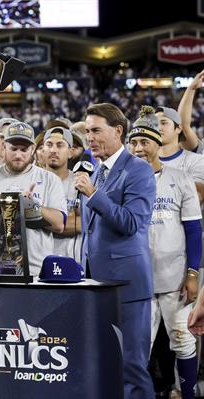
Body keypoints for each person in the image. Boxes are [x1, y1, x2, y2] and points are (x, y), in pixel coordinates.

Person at [74, 103, 156, 399]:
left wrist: (94, 195)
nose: (90, 137)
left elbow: (133, 223)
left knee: (132, 366)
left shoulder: (139, 170)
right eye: (86, 131)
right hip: (97, 285)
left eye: (96, 130)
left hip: (127, 286)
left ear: (118, 131)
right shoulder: (96, 173)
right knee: (105, 363)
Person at [127, 106, 202, 399]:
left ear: (158, 142)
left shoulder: (180, 178)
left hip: (174, 279)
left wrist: (193, 272)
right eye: (133, 142)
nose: (138, 148)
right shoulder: (123, 179)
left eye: (145, 141)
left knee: (182, 340)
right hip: (138, 282)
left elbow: (194, 230)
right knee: (137, 349)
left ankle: (187, 392)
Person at [0, 121, 66, 277]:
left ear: (33, 149)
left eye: (24, 149)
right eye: (13, 149)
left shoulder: (50, 180)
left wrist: (33, 207)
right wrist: (19, 208)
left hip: (37, 271)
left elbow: (59, 223)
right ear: (4, 147)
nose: (18, 155)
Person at [43, 127, 82, 261]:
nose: (53, 150)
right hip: (38, 262)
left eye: (60, 145)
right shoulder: (31, 180)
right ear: (42, 150)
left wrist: (46, 218)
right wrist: (69, 219)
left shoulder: (80, 182)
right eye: (49, 145)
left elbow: (86, 223)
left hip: (73, 261)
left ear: (71, 152)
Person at [156, 106, 204, 202]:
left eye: (163, 123)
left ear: (178, 128)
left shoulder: (196, 160)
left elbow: (195, 199)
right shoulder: (141, 162)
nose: (157, 127)